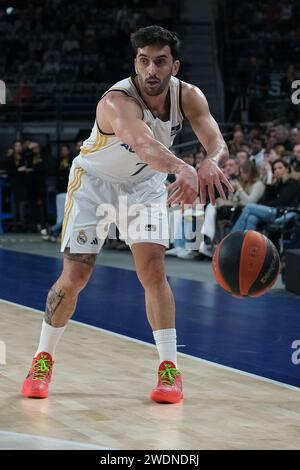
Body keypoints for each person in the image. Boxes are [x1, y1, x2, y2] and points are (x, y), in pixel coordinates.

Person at [21, 25, 232, 404]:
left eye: (160, 61)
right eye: (144, 60)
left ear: (175, 66)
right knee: (76, 276)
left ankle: (170, 371)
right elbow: (142, 143)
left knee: (153, 270)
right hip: (94, 183)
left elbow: (216, 141)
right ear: (135, 62)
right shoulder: (116, 101)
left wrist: (211, 163)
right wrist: (185, 168)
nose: (151, 69)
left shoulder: (190, 96)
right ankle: (42, 358)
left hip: (144, 186)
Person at [231, 159, 300, 233]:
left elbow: (283, 201)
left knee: (249, 207)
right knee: (252, 218)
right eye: (275, 169)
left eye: (280, 168)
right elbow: (267, 199)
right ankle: (248, 243)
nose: (277, 170)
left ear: (287, 169)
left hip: (283, 212)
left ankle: (232, 238)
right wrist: (270, 184)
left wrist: (263, 205)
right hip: (273, 211)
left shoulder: (292, 183)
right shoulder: (278, 184)